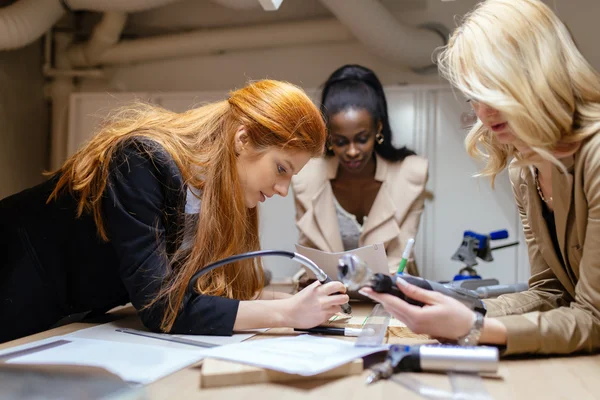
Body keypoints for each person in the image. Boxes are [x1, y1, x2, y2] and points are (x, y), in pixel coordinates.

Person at [0, 79, 350, 344]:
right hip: (14, 275)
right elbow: (162, 308)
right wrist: (286, 312)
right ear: (242, 139)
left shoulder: (220, 192)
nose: (282, 190)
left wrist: (301, 302)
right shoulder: (141, 160)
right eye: (281, 169)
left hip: (63, 301)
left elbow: (202, 288)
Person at [360, 0, 600, 355]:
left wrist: (474, 327)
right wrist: (455, 308)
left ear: (538, 72)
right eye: (473, 94)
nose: (483, 112)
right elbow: (551, 292)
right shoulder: (524, 168)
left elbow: (593, 318)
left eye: (493, 87)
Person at [292, 64, 428, 276]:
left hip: (389, 296)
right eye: (341, 141)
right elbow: (310, 259)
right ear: (328, 136)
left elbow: (399, 257)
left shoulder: (410, 174)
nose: (352, 151)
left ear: (378, 129)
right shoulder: (306, 178)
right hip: (331, 300)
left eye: (362, 139)